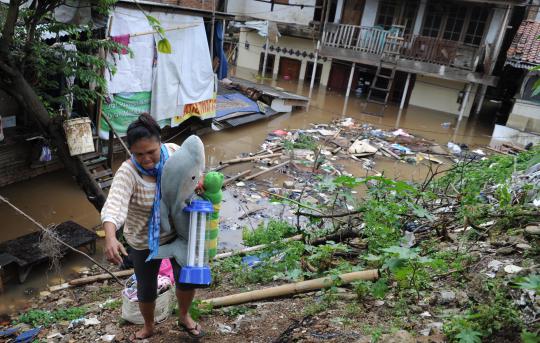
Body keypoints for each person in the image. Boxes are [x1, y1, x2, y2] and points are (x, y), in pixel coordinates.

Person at [101, 113, 204, 340]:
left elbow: (195, 173)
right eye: (139, 154)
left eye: (151, 152)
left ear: (160, 142)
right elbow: (114, 205)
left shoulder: (176, 154)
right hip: (143, 240)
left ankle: (184, 316)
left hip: (178, 234)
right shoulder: (128, 173)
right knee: (146, 288)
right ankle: (149, 326)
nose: (146, 159)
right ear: (131, 152)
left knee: (186, 277)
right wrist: (110, 237)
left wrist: (200, 182)